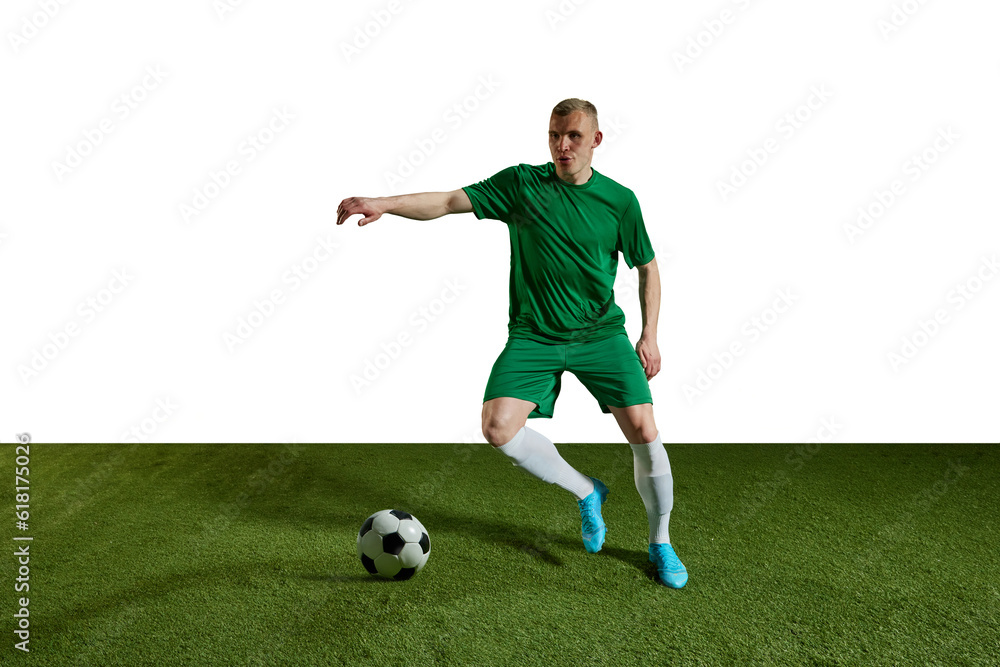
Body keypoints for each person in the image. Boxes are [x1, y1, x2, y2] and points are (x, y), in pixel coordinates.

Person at [336, 98, 686, 588]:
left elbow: (647, 267)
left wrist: (649, 334)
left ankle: (661, 542)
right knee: (498, 427)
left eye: (574, 137)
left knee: (645, 432)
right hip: (534, 334)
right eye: (554, 135)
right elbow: (446, 202)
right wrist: (384, 204)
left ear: (596, 141)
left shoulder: (621, 201)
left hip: (599, 333)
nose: (562, 146)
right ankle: (587, 492)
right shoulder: (521, 184)